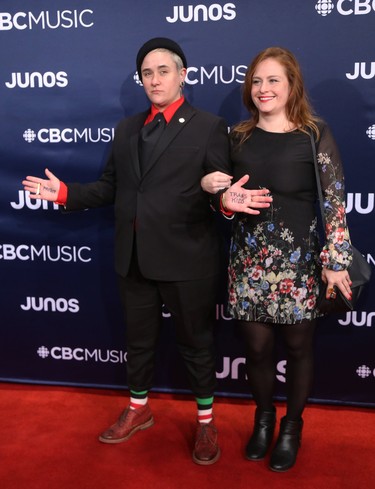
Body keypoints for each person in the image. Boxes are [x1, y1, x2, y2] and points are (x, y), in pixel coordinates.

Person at [22, 37, 271, 465]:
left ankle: (207, 422)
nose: (154, 80)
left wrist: (226, 201)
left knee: (196, 344)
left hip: (187, 258)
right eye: (147, 74)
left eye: (163, 71)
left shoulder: (208, 126)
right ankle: (138, 410)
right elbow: (111, 188)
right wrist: (64, 193)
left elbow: (218, 188)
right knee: (138, 343)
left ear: (183, 76)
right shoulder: (126, 129)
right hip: (133, 256)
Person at [201, 46, 353, 471]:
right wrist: (224, 200)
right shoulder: (237, 137)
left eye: (273, 81)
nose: (263, 89)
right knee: (257, 348)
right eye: (256, 81)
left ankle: (292, 426)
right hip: (248, 264)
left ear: (291, 86)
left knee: (300, 347)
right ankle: (264, 419)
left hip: (301, 265)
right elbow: (217, 198)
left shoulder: (313, 134)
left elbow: (335, 202)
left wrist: (335, 259)